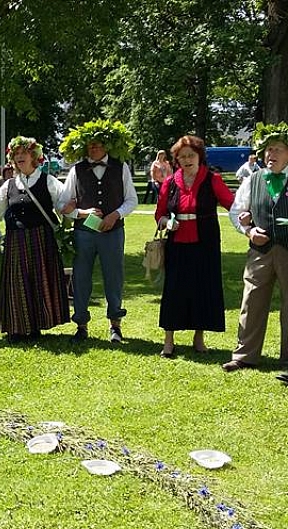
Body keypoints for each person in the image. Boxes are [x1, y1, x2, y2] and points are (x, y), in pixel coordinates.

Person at [59, 119, 138, 344]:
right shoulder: (77, 170)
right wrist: (82, 213)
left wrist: (116, 215)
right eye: (90, 145)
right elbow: (63, 205)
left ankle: (115, 326)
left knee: (114, 277)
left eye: (98, 144)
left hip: (113, 232)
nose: (94, 148)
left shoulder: (120, 167)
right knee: (81, 277)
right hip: (84, 233)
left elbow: (132, 200)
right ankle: (81, 325)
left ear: (107, 145)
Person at [154, 136, 234, 358]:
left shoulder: (212, 179)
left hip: (205, 243)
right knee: (174, 291)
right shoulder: (170, 182)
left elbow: (232, 204)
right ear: (176, 159)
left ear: (200, 156)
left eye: (191, 155)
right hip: (177, 243)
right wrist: (166, 222)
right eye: (182, 156)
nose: (187, 159)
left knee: (203, 288)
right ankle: (168, 341)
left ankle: (199, 338)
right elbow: (159, 214)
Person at [223, 122, 288, 373]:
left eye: (278, 149)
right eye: (268, 149)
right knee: (251, 301)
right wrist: (249, 231)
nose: (271, 154)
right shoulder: (254, 179)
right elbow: (236, 211)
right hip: (260, 250)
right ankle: (244, 356)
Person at [0, 137, 70, 343]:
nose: (19, 157)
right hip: (15, 240)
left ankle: (36, 325)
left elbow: (64, 207)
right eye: (15, 154)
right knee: (17, 282)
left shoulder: (49, 181)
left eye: (23, 153)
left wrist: (79, 213)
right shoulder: (8, 186)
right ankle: (17, 328)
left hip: (41, 239)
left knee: (39, 280)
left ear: (34, 157)